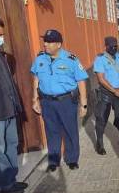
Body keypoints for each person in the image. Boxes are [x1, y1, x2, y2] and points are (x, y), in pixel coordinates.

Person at [31, 30, 88, 172]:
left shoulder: (71, 59)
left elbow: (81, 81)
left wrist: (84, 104)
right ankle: (53, 161)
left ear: (58, 44)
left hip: (66, 101)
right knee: (51, 131)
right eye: (45, 41)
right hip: (47, 102)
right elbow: (36, 78)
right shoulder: (40, 59)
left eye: (49, 42)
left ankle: (72, 159)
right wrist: (35, 99)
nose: (45, 44)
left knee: (70, 130)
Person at [0, 16, 28, 193]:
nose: (1, 38)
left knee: (12, 145)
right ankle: (2, 185)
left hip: (10, 109)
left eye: (2, 34)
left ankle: (11, 179)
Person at [93, 37, 119, 155]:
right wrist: (114, 90)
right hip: (106, 93)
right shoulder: (100, 59)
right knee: (101, 118)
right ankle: (99, 144)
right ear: (105, 46)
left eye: (115, 45)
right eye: (111, 46)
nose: (113, 48)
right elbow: (101, 79)